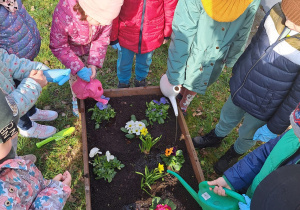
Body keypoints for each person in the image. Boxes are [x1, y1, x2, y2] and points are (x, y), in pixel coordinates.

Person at [192, 0, 300, 174]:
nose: (287, 22)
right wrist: (239, 69)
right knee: (228, 114)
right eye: (287, 14)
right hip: (243, 84)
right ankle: (217, 136)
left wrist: (275, 126)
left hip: (265, 104)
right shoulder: (277, 13)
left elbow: (296, 97)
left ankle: (234, 152)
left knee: (248, 132)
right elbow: (255, 43)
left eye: (295, 22)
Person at [165, 0, 261, 114]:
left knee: (200, 80)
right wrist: (175, 74)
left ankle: (184, 101)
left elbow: (244, 29)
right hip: (197, 47)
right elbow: (183, 33)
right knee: (190, 72)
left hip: (217, 53)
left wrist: (232, 57)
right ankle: (181, 93)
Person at [207, 102, 300, 210]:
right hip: (253, 192)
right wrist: (232, 180)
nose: (298, 139)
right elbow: (263, 155)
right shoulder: (293, 135)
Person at [0, 87, 72, 209]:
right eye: (8, 132)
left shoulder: (5, 160)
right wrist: (56, 193)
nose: (16, 134)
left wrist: (49, 187)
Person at [50, 0, 123, 117]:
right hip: (70, 52)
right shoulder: (65, 13)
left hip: (89, 49)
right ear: (88, 12)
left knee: (90, 75)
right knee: (75, 78)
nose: (101, 24)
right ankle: (77, 97)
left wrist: (93, 63)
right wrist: (78, 67)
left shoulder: (104, 17)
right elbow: (59, 46)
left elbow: (101, 39)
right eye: (99, 21)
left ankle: (91, 92)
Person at [0, 0, 58, 139]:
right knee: (19, 93)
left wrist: (40, 69)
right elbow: (9, 110)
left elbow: (7, 61)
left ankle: (32, 112)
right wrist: (34, 85)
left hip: (17, 60)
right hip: (7, 103)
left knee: (24, 89)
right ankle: (26, 127)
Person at [110, 0, 178, 88]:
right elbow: (113, 8)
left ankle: (140, 79)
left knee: (145, 61)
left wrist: (167, 31)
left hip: (151, 32)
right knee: (124, 61)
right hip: (126, 31)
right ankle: (123, 82)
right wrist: (113, 35)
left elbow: (170, 8)